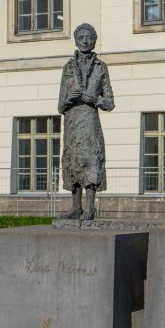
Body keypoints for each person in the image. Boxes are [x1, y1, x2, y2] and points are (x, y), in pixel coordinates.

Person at [58, 23, 114, 220]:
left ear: (94, 40)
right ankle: (76, 207)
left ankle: (90, 208)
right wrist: (67, 99)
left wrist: (96, 100)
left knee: (91, 161)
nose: (85, 41)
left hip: (90, 123)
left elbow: (110, 102)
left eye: (89, 37)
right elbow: (59, 106)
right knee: (73, 161)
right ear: (75, 39)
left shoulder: (101, 67)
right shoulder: (68, 68)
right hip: (72, 122)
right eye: (81, 37)